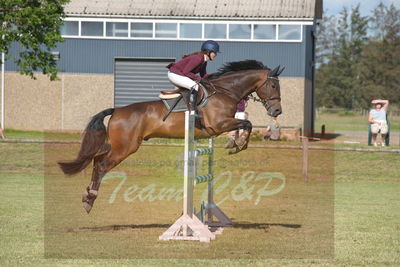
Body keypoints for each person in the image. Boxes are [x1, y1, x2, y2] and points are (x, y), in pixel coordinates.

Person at [166, 40, 220, 113]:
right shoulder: (197, 58)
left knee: (197, 85)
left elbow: (203, 75)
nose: (216, 55)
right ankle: (192, 110)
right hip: (174, 74)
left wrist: (217, 75)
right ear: (208, 52)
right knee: (195, 86)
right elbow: (186, 72)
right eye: (215, 52)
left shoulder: (204, 61)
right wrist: (198, 78)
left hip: (179, 74)